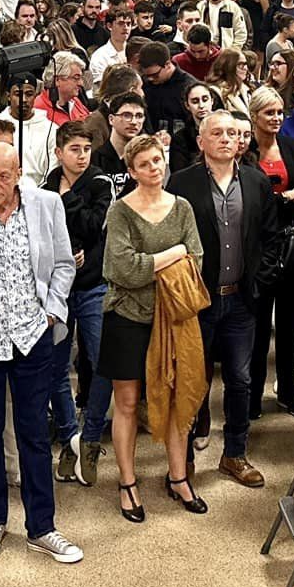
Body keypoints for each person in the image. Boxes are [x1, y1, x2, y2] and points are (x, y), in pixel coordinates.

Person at [169, 113, 279, 489]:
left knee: (240, 380)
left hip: (242, 301)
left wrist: (260, 280)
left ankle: (234, 453)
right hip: (197, 302)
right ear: (201, 141)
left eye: (232, 133)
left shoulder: (256, 180)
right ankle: (181, 459)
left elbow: (270, 236)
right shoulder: (181, 184)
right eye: (217, 133)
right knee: (190, 382)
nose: (226, 139)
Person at [101, 135, 205, 523]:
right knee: (127, 404)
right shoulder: (121, 212)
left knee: (177, 398)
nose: (154, 169)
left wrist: (159, 262)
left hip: (173, 317)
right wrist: (171, 255)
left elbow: (196, 259)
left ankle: (178, 477)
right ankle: (127, 483)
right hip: (127, 317)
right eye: (144, 164)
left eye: (158, 161)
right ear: (132, 171)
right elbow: (121, 269)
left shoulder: (182, 208)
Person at [47, 123, 115, 486]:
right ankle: (69, 437)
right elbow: (45, 231)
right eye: (74, 148)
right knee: (55, 366)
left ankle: (89, 437)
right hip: (57, 290)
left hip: (92, 287)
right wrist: (62, 254)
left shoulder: (101, 182)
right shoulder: (46, 184)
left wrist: (67, 196)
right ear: (59, 152)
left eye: (86, 148)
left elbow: (92, 225)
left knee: (101, 360)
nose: (82, 155)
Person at [246, 87, 294, 420]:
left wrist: (286, 198)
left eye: (278, 113)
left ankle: (289, 391)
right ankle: (252, 396)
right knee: (257, 329)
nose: (275, 118)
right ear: (254, 116)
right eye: (268, 113)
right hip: (257, 249)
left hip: (292, 246)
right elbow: (249, 201)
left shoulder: (290, 146)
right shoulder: (245, 153)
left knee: (292, 325)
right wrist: (286, 197)